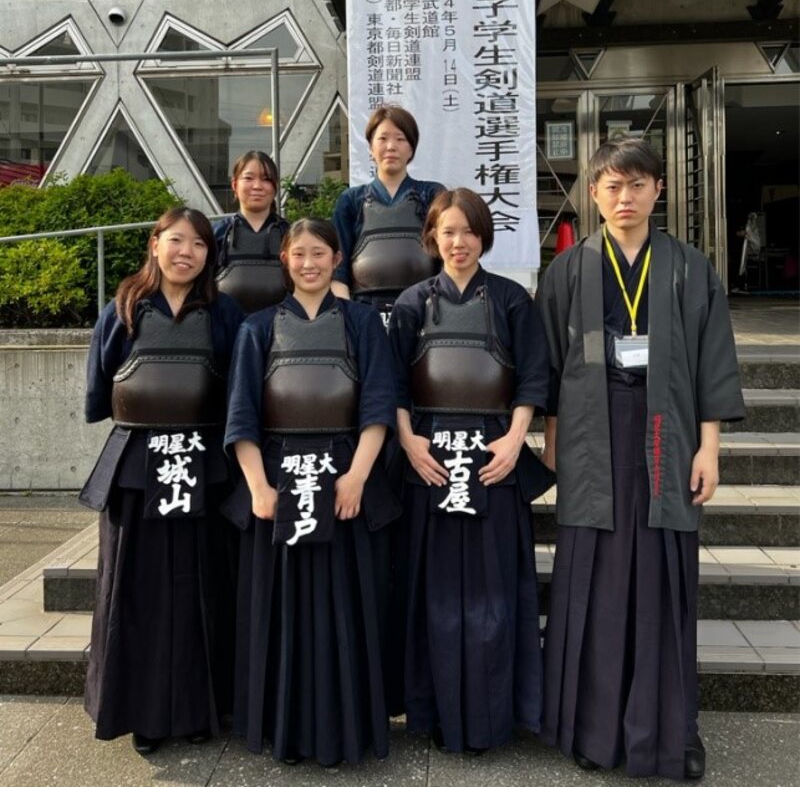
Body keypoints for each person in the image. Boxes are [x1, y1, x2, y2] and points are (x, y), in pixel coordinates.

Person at [537, 140, 745, 781]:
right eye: (610, 187)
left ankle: (670, 732)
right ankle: (591, 730)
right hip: (590, 435)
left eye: (636, 185)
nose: (623, 198)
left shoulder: (689, 267)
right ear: (592, 194)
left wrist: (709, 447)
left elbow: (712, 363)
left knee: (661, 581)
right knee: (593, 582)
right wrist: (550, 439)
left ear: (658, 189)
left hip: (668, 432)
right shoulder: (568, 270)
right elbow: (548, 363)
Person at [224, 218, 400, 766]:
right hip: (279, 476)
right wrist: (258, 485)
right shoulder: (257, 328)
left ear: (337, 257)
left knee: (346, 604)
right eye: (298, 253)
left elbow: (377, 405)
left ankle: (347, 728)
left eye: (319, 253)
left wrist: (358, 477)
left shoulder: (363, 323)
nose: (309, 263)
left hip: (343, 470)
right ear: (285, 259)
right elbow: (242, 416)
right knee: (280, 608)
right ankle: (285, 729)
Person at [388, 188, 551, 754]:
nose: (458, 243)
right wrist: (408, 441)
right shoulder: (413, 302)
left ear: (484, 235)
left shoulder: (511, 299)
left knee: (494, 595)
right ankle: (432, 713)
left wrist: (514, 439)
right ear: (432, 237)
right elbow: (392, 387)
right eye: (447, 232)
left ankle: (491, 717)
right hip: (429, 461)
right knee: (430, 594)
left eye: (468, 231)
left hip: (491, 458)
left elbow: (532, 376)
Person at [80, 207, 245, 755]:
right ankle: (144, 714)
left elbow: (237, 391)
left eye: (198, 244)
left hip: (203, 466)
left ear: (208, 254)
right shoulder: (122, 309)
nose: (187, 252)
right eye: (176, 241)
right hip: (138, 469)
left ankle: (201, 708)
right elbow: (101, 394)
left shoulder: (226, 314)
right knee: (136, 591)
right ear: (155, 244)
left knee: (205, 586)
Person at [331, 104, 444, 319]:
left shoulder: (432, 194)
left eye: (400, 139)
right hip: (365, 311)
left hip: (423, 309)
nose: (391, 146)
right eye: (382, 138)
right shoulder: (351, 201)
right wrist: (348, 317)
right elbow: (338, 268)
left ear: (411, 148)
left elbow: (446, 260)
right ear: (370, 147)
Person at [214, 150, 289, 314]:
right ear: (234, 185)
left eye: (266, 179)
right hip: (228, 328)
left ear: (275, 187)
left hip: (281, 327)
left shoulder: (290, 234)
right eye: (248, 178)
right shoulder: (219, 233)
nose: (257, 186)